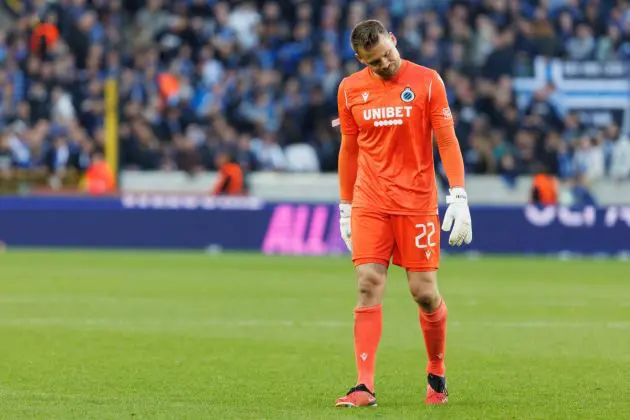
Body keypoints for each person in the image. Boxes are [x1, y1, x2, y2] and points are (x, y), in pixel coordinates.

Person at [335, 19, 473, 407]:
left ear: (393, 40)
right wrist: (346, 206)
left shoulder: (428, 80)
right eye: (375, 62)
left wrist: (458, 194)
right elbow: (350, 149)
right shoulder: (349, 90)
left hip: (416, 203)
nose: (385, 64)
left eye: (388, 54)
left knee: (424, 294)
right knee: (367, 283)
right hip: (370, 200)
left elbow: (446, 138)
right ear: (361, 59)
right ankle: (363, 385)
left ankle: (437, 371)